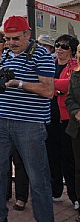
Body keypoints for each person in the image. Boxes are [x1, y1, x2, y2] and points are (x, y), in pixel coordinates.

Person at [0, 15, 55, 222]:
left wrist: (18, 83)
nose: (10, 43)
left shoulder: (42, 55)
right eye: (8, 39)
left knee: (38, 177)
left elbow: (48, 90)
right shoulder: (9, 54)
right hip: (3, 119)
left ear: (28, 34)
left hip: (30, 124)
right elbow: (1, 84)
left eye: (16, 38)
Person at [47, 34, 79, 207]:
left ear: (72, 50)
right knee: (53, 156)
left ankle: (75, 196)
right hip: (50, 117)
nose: (59, 48)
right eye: (57, 45)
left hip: (67, 119)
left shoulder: (75, 66)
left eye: (64, 46)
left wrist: (51, 85)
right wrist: (56, 88)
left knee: (69, 159)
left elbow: (69, 85)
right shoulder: (50, 64)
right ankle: (56, 191)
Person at [64, 46, 80, 222]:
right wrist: (76, 111)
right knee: (78, 169)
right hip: (77, 128)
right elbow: (69, 98)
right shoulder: (75, 74)